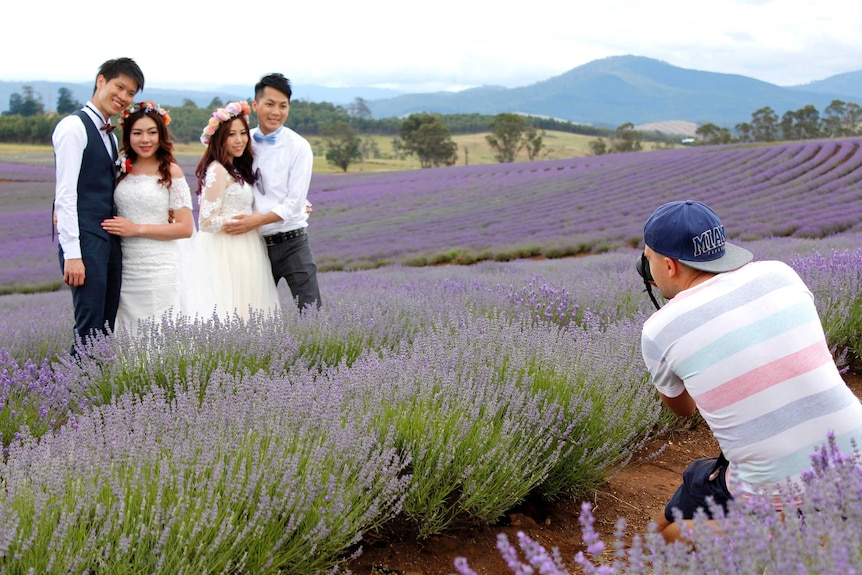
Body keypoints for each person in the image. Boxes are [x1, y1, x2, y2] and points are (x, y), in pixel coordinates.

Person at [639, 199, 862, 543]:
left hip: (774, 491)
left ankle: (762, 532)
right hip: (854, 457)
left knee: (664, 534)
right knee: (700, 479)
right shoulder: (780, 273)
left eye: (648, 258)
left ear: (668, 266)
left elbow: (684, 410)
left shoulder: (659, 329)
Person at [53, 57, 145, 348]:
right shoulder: (73, 127)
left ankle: (94, 391)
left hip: (108, 241)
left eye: (131, 93)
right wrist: (73, 254)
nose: (123, 98)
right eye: (119, 87)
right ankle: (69, 392)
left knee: (105, 327)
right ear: (101, 81)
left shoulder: (109, 133)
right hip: (86, 242)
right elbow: (66, 194)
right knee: (89, 327)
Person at [220, 73, 321, 311]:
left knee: (311, 311)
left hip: (292, 240)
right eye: (270, 104)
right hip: (254, 244)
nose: (276, 112)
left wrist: (257, 220)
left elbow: (294, 202)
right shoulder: (241, 142)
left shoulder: (299, 147)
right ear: (255, 105)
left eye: (283, 106)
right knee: (252, 312)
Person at [100, 101, 193, 335]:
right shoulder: (121, 169)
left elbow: (185, 228)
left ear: (160, 135)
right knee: (127, 333)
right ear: (127, 135)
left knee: (160, 331)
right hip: (126, 267)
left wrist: (136, 229)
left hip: (160, 266)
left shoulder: (171, 171)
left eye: (152, 133)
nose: (145, 140)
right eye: (137, 133)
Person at [188, 101, 280, 321]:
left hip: (246, 246)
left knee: (248, 308)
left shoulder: (237, 168)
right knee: (227, 308)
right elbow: (207, 222)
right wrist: (243, 222)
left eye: (242, 133)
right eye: (231, 135)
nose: (239, 140)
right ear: (220, 138)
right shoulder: (217, 170)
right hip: (225, 248)